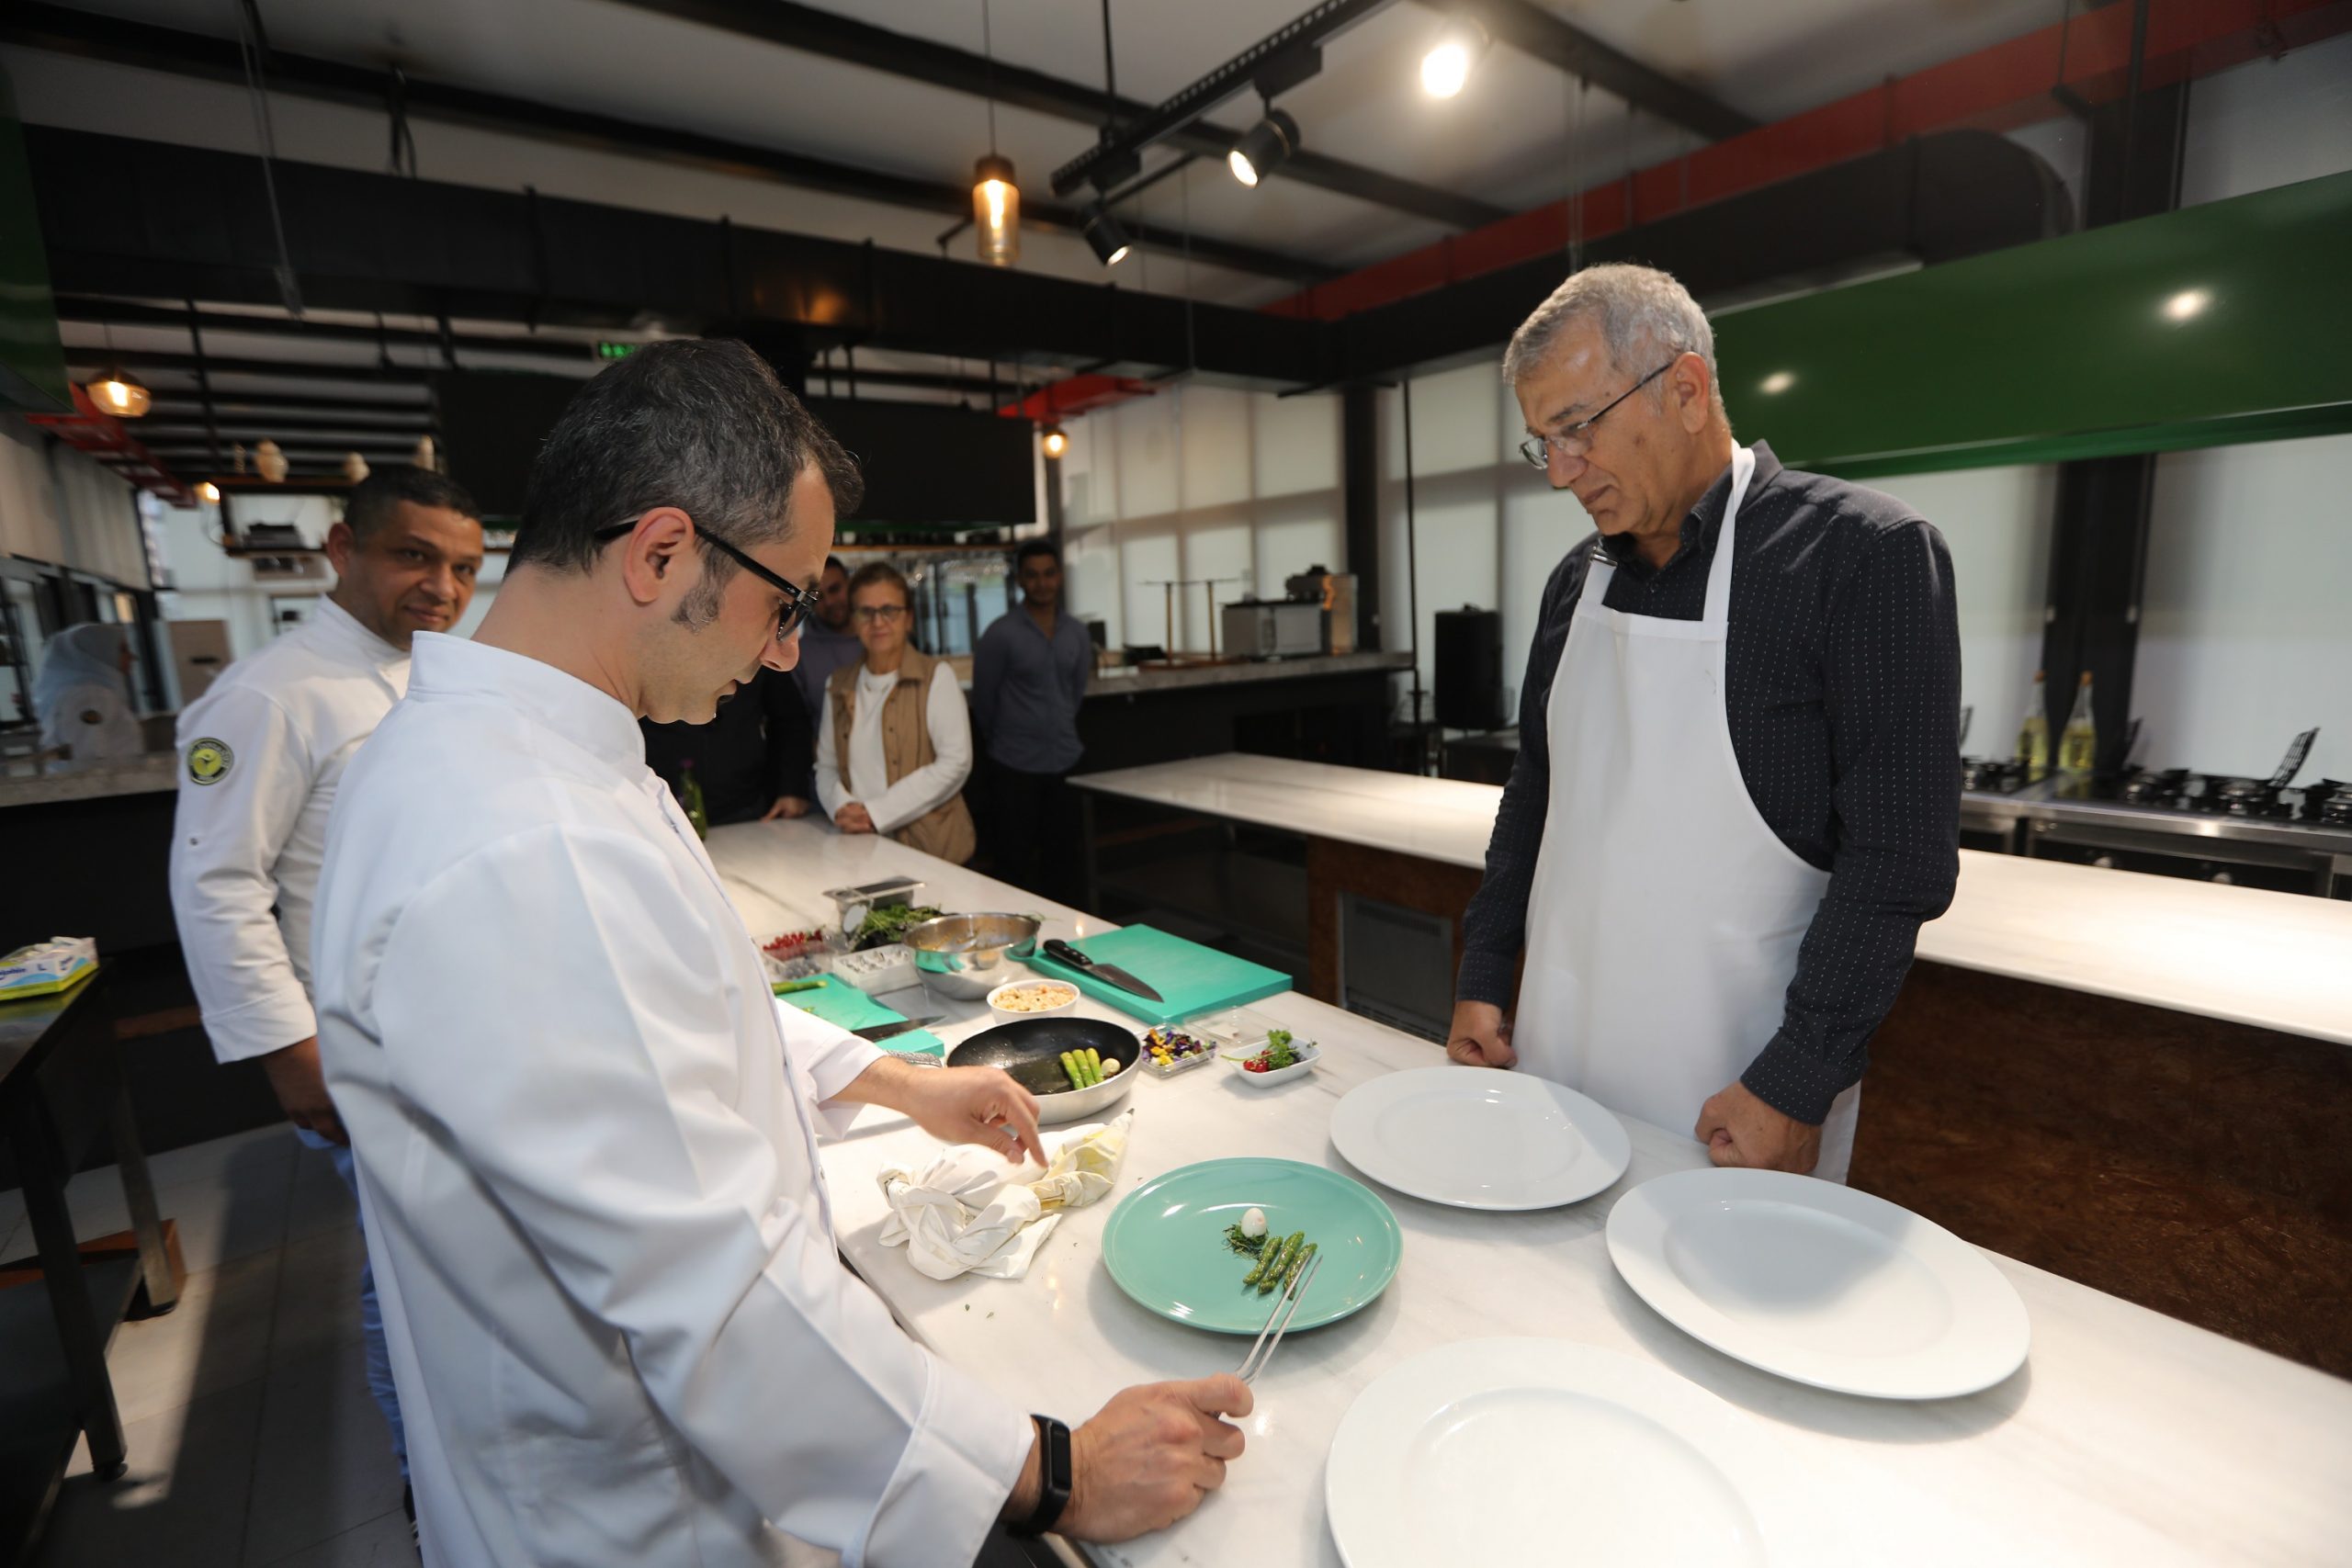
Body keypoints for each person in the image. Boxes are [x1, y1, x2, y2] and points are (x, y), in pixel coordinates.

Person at [310, 339, 1248, 1568]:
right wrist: (1050, 1471)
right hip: (630, 1519)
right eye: (787, 599)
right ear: (660, 553)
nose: (788, 650)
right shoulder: (523, 836)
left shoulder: (522, 767)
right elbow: (719, 1297)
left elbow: (676, 1020)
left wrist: (900, 1080)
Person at [1447, 264, 1960, 1184]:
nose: (1560, 472)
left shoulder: (1861, 557)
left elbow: (1897, 858)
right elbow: (1537, 790)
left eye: (1578, 429)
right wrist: (1485, 969)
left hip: (1735, 1096)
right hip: (1556, 1056)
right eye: (1543, 443)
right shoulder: (1575, 582)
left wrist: (1797, 1081)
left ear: (1684, 390)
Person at [169, 465, 485, 1528]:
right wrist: (290, 1053)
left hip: (444, 1033)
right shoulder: (272, 693)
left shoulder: (432, 679)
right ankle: (424, 1490)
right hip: (356, 1048)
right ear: (343, 550)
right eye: (414, 556)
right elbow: (216, 886)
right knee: (407, 1279)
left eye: (463, 567)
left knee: (448, 1267)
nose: (442, 586)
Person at [815, 560, 978, 863]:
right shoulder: (837, 684)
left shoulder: (936, 677)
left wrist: (876, 813)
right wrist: (841, 807)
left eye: (889, 610)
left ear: (909, 618)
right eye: (866, 611)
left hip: (931, 848)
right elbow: (826, 765)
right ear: (854, 620)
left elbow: (955, 762)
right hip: (860, 847)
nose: (878, 622)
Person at [970, 538, 1091, 901]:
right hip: (1014, 765)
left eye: (1049, 574)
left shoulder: (1077, 632)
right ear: (1020, 579)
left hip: (1065, 761)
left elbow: (1075, 691)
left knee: (1064, 861)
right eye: (1033, 575)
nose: (1042, 583)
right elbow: (984, 701)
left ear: (1060, 577)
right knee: (1013, 864)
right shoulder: (1000, 634)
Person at [640, 663, 815, 825]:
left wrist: (792, 787)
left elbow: (788, 718)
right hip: (660, 801)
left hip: (745, 800)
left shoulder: (754, 652)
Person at [33, 622, 143, 770]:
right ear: (99, 653)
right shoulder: (90, 696)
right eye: (123, 650)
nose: (132, 657)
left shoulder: (91, 694)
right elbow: (87, 758)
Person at [788, 553, 862, 717]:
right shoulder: (799, 655)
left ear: (850, 585)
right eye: (818, 598)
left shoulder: (877, 636)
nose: (829, 602)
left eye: (834, 589)